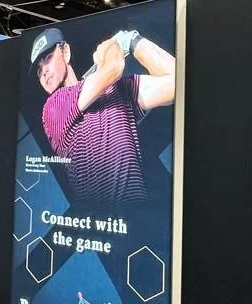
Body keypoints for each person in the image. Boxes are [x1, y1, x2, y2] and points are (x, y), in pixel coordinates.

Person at [30, 26, 175, 204]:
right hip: (101, 223)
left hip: (139, 219)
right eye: (38, 70)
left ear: (65, 52)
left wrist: (134, 41)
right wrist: (113, 45)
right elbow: (114, 67)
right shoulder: (53, 108)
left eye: (48, 58)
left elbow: (177, 82)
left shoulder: (117, 91)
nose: (43, 71)